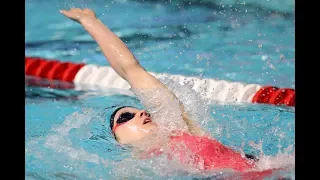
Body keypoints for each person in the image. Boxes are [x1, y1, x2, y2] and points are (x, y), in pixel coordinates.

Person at [60, 8, 261, 173]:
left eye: (137, 110)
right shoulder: (128, 171)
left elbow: (131, 69)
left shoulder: (178, 128)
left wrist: (91, 22)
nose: (141, 112)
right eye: (125, 117)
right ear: (118, 141)